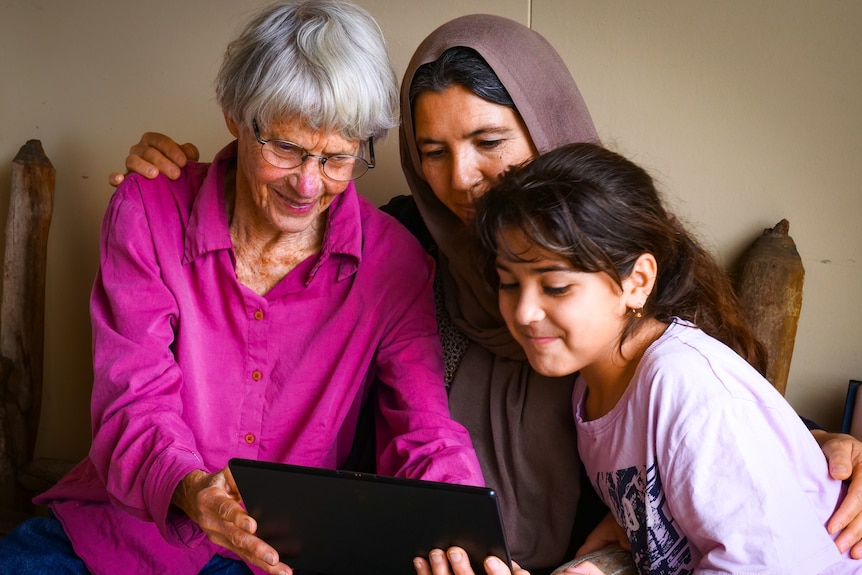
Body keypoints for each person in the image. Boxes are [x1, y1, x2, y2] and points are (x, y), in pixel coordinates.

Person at [108, 13, 862, 573]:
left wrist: (827, 450)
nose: (461, 178)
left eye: (489, 142)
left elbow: (729, 447)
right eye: (431, 151)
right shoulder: (413, 248)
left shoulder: (637, 292)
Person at [0, 2, 484, 574]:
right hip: (123, 537)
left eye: (335, 158)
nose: (307, 184)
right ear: (236, 115)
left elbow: (423, 430)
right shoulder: (149, 211)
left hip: (280, 553)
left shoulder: (394, 264)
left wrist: (467, 540)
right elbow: (133, 401)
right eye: (284, 147)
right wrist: (191, 489)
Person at [468, 141, 858, 574]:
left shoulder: (686, 386)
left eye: (556, 287)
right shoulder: (591, 387)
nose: (523, 312)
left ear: (637, 281)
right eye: (508, 283)